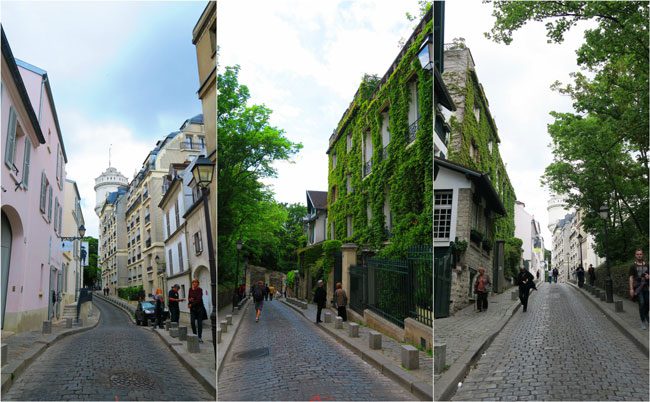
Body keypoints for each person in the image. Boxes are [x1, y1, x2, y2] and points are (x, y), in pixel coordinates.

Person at [629, 249, 649, 330]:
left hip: (646, 286)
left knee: (648, 303)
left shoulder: (647, 264)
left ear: (642, 255)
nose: (639, 255)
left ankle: (646, 315)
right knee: (641, 303)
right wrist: (631, 289)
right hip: (638, 288)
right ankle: (643, 321)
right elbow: (630, 278)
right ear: (635, 255)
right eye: (637, 254)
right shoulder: (633, 266)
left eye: (640, 254)